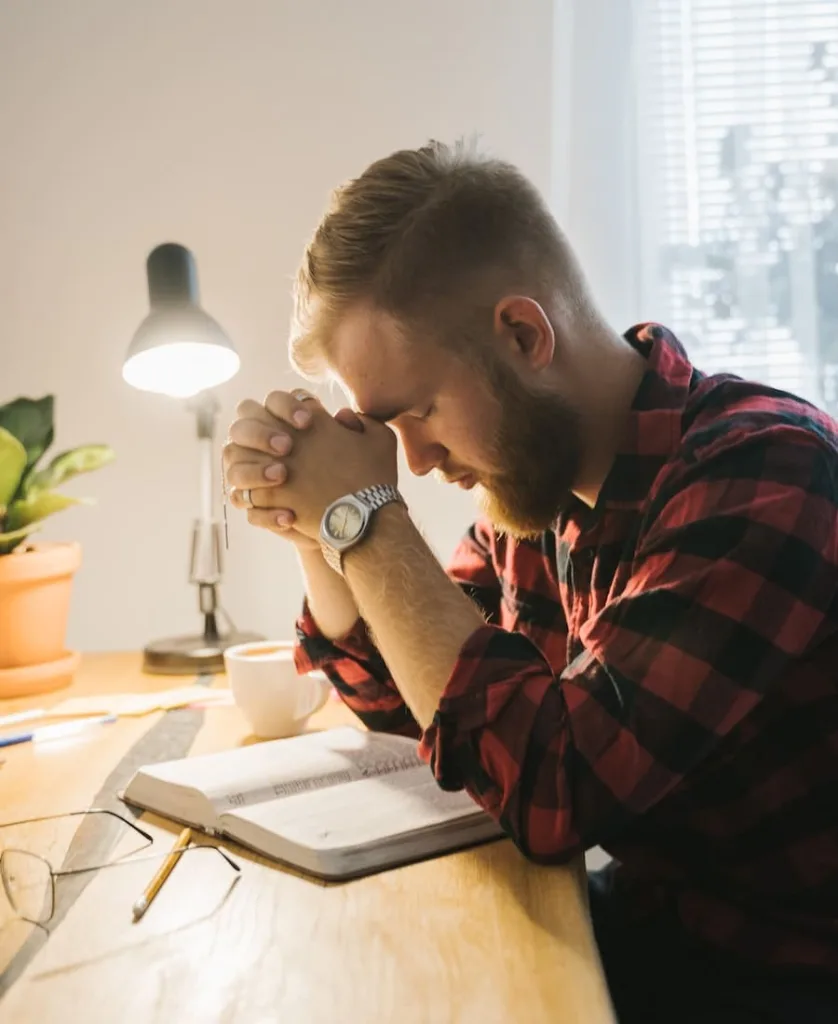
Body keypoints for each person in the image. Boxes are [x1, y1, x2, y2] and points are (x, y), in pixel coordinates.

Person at [222, 141, 838, 1022]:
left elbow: (557, 786)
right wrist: (314, 523)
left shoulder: (766, 470)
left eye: (420, 411)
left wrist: (362, 515)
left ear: (522, 334)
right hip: (652, 930)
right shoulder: (542, 491)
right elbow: (422, 704)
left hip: (782, 973)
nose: (419, 461)